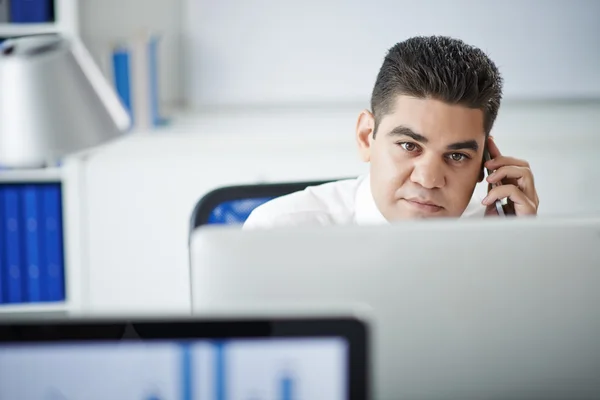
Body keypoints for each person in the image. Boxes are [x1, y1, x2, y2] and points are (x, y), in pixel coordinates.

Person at [243, 35, 539, 229]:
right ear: (365, 137)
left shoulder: (501, 230)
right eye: (409, 146)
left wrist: (524, 250)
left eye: (457, 155)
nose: (428, 179)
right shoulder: (279, 231)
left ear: (484, 164)